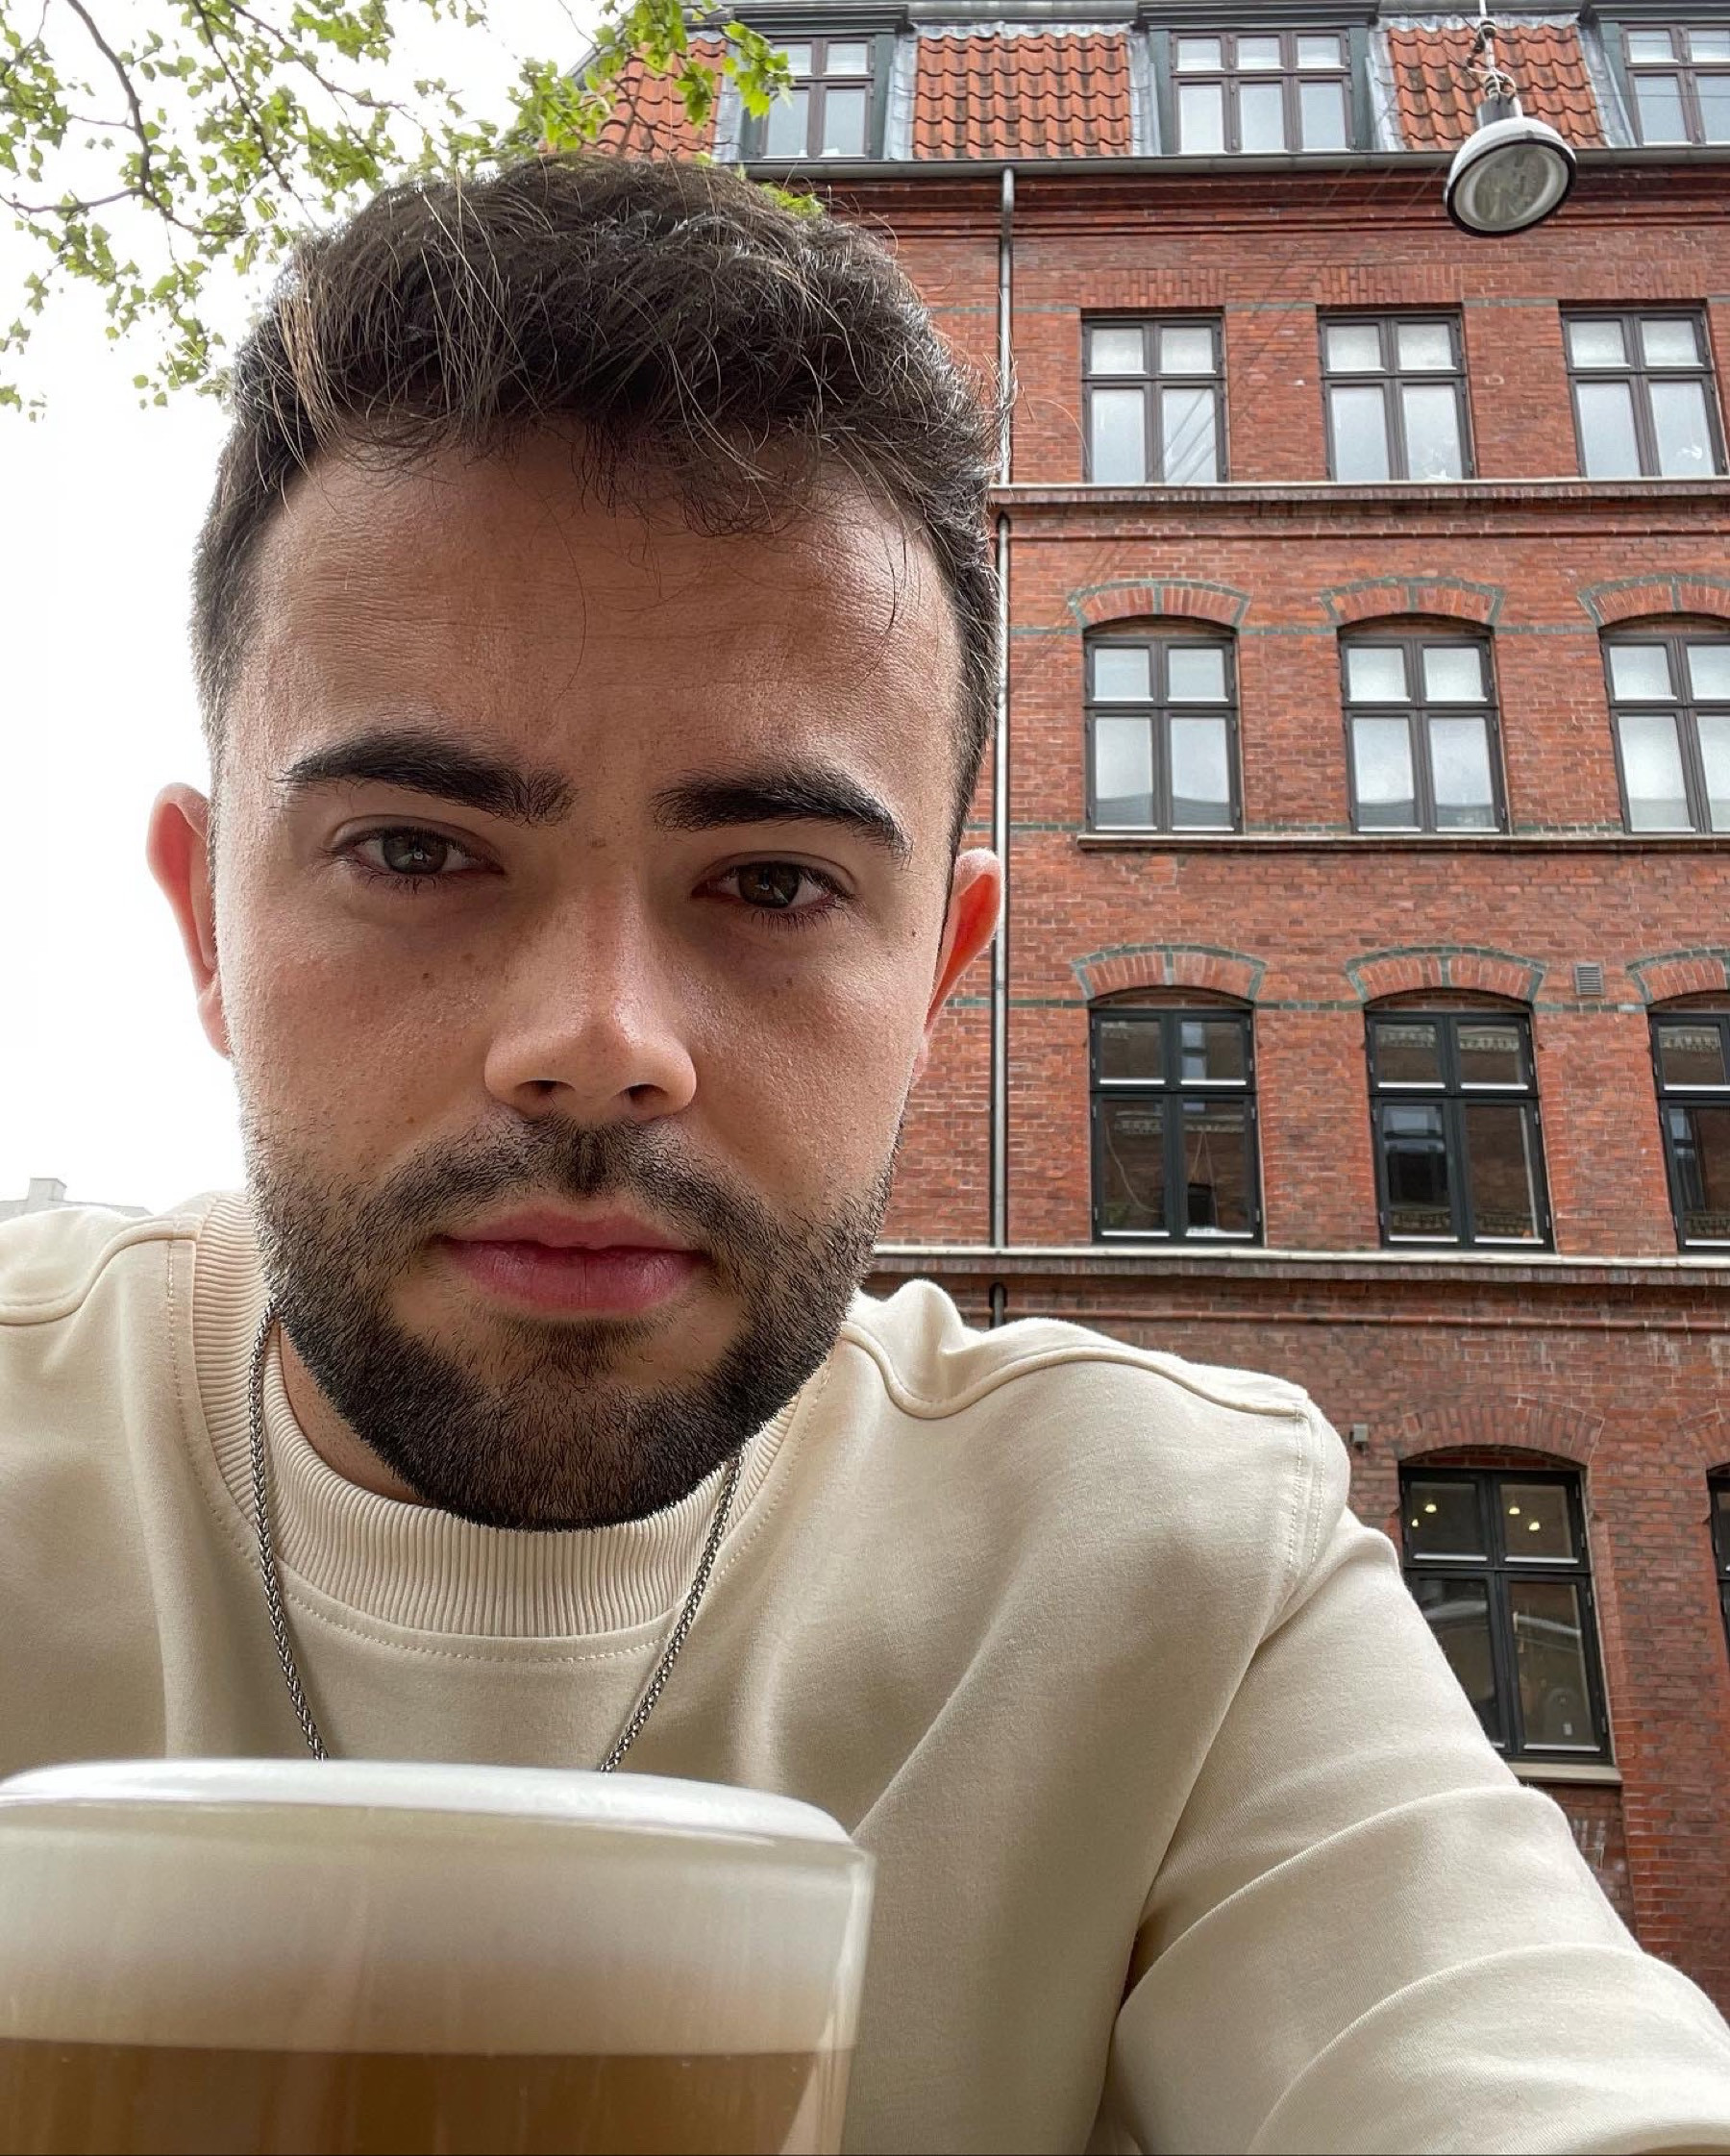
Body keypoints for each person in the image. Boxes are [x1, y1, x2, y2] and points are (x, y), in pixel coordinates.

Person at [2, 155, 1728, 2155]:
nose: (601, 1046)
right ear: (208, 923)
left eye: (773, 881)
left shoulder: (1175, 1577)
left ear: (938, 977)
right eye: (415, 850)